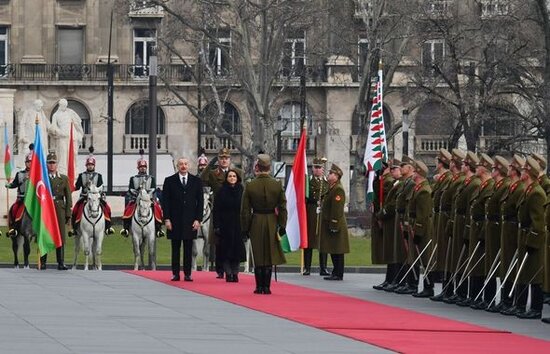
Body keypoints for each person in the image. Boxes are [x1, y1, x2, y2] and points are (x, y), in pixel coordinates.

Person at [241, 154, 287, 294]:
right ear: (269, 168)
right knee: (269, 253)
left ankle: (259, 286)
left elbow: (245, 210)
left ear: (257, 167)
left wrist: (245, 228)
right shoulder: (277, 184)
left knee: (258, 254)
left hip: (256, 219)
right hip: (272, 220)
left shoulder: (250, 185)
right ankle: (267, 287)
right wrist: (282, 225)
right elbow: (283, 207)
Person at [200, 147, 243, 279]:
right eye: (221, 158)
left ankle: (232, 269)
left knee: (234, 241)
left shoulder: (237, 172)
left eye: (226, 158)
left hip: (234, 212)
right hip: (218, 210)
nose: (224, 160)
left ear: (230, 160)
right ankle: (220, 268)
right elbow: (203, 179)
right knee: (218, 240)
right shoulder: (214, 173)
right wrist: (210, 164)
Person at [431, 149, 466, 301]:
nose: (450, 163)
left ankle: (453, 290)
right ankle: (447, 289)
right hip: (444, 217)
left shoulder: (457, 180)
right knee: (446, 255)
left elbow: (453, 203)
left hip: (450, 218)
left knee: (451, 255)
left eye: (452, 161)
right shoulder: (452, 179)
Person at [162, 158, 204, 282]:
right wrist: (167, 219)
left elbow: (200, 202)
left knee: (188, 248)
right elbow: (166, 202)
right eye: (181, 164)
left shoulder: (196, 181)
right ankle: (175, 273)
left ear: (189, 165)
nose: (183, 166)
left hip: (190, 220)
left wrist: (198, 219)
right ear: (177, 166)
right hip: (174, 220)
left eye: (185, 164)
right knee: (175, 248)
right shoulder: (169, 181)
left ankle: (187, 273)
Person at [514, 156, 546, 319]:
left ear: (529, 173)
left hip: (533, 237)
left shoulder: (536, 193)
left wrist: (532, 241)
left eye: (524, 170)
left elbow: (538, 221)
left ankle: (535, 308)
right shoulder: (529, 190)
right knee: (524, 271)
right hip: (524, 233)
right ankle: (520, 305)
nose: (521, 172)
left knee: (534, 274)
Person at [464, 153, 494, 309]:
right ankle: (474, 295)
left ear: (484, 169)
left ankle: (486, 298)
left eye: (480, 166)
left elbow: (486, 212)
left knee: (483, 264)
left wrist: (482, 232)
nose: (477, 168)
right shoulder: (481, 186)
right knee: (475, 262)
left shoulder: (489, 187)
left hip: (483, 228)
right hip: (476, 227)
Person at [498, 155, 525, 315]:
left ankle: (512, 300)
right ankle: (506, 300)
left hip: (514, 228)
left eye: (510, 167)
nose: (507, 169)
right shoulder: (512, 187)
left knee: (513, 266)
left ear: (515, 171)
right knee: (506, 263)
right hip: (507, 228)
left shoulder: (520, 188)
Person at [482, 155, 510, 311]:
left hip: (500, 227)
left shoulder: (505, 186)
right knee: (491, 263)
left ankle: (503, 299)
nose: (491, 170)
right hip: (493, 227)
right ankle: (490, 298)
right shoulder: (497, 186)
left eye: (493, 168)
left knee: (502, 264)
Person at [213, 169, 246, 282]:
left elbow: (245, 208)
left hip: (238, 224)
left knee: (236, 251)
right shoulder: (221, 191)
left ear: (237, 178)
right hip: (225, 225)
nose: (232, 178)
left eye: (234, 176)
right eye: (230, 176)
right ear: (226, 178)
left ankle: (235, 273)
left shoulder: (241, 190)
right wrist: (216, 225)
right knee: (225, 250)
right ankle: (228, 273)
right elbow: (216, 210)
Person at [40, 152, 72, 270]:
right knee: (45, 234)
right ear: (47, 164)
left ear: (57, 164)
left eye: (53, 163)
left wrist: (68, 214)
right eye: (49, 163)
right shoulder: (43, 178)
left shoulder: (63, 178)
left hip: (59, 209)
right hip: (47, 209)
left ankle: (61, 262)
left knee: (60, 236)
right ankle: (43, 262)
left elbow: (68, 197)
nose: (51, 165)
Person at [374, 159, 402, 290]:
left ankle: (395, 279)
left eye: (394, 169)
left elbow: (391, 204)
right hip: (389, 219)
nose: (392, 172)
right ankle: (390, 279)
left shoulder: (394, 183)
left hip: (392, 219)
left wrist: (380, 214)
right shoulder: (394, 182)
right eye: (391, 169)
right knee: (390, 250)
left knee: (394, 251)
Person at [319, 163, 350, 281]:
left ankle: (338, 273)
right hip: (329, 222)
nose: (329, 175)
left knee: (338, 249)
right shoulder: (331, 188)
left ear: (337, 176)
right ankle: (335, 271)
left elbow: (337, 209)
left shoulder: (338, 189)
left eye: (331, 173)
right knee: (333, 248)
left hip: (336, 223)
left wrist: (334, 223)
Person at [409, 160, 435, 297]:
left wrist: (418, 231)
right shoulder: (418, 188)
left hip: (424, 228)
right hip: (418, 226)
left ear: (418, 173)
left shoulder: (424, 191)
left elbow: (423, 214)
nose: (412, 173)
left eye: (414, 171)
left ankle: (428, 287)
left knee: (426, 257)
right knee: (421, 257)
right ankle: (424, 286)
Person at [70, 155, 114, 236]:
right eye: (89, 165)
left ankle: (108, 227)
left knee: (107, 208)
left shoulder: (98, 176)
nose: (90, 166)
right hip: (84, 196)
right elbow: (78, 186)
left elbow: (101, 187)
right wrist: (71, 188)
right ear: (86, 166)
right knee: (75, 210)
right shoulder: (81, 175)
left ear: (94, 166)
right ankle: (74, 228)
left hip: (96, 197)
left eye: (91, 165)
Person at [121, 158, 163, 237]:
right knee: (128, 208)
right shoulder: (133, 178)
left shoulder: (151, 178)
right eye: (141, 167)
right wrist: (137, 194)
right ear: (138, 168)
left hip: (148, 199)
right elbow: (131, 189)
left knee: (157, 208)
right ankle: (126, 228)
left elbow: (153, 188)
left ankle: (158, 229)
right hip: (136, 198)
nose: (143, 168)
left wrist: (146, 195)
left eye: (144, 167)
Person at [303, 157, 329, 276]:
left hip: (323, 212)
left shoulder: (327, 182)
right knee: (309, 240)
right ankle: (307, 267)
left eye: (319, 168)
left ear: (323, 169)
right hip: (311, 212)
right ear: (312, 168)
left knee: (322, 241)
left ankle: (323, 267)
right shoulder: (307, 181)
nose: (317, 170)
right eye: (315, 167)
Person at [50, 98, 84, 176]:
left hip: (72, 137)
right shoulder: (55, 115)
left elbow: (77, 124)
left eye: (65, 105)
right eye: (62, 105)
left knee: (74, 154)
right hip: (62, 137)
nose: (64, 107)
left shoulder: (70, 113)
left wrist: (79, 134)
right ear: (59, 105)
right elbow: (53, 127)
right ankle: (63, 171)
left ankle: (74, 170)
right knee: (63, 153)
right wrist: (59, 132)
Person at [5, 152, 32, 237]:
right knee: (14, 209)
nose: (29, 163)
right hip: (22, 198)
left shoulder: (37, 174)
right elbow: (15, 184)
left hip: (33, 199)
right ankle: (14, 228)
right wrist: (9, 185)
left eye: (31, 162)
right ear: (25, 163)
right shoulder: (19, 174)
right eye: (28, 162)